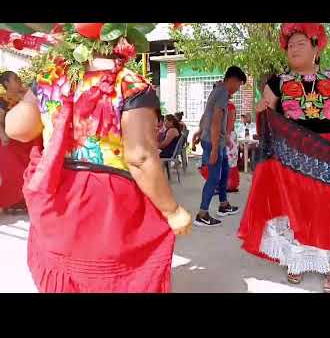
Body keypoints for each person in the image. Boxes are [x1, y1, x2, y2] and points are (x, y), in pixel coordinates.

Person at [4, 23, 191, 293]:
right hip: (108, 204)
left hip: (57, 198)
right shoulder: (130, 83)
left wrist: (32, 98)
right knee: (112, 279)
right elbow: (140, 157)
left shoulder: (53, 77)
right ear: (124, 39)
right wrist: (172, 211)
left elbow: (16, 129)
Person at [238, 23, 330, 293]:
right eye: (290, 45)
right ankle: (296, 262)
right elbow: (264, 107)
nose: (293, 48)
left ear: (316, 48)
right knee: (296, 206)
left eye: (300, 43)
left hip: (326, 151)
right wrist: (258, 109)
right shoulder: (277, 82)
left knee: (328, 206)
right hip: (291, 152)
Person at [193, 66, 246, 227]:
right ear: (233, 80)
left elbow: (206, 114)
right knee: (214, 177)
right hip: (213, 141)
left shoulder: (217, 90)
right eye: (238, 85)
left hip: (215, 140)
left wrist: (200, 130)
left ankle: (223, 205)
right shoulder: (222, 92)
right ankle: (202, 213)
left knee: (224, 174)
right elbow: (216, 120)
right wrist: (215, 148)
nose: (237, 89)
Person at [0, 71, 40, 214]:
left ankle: (26, 203)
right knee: (13, 174)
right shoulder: (3, 99)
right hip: (10, 143)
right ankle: (10, 203)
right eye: (15, 79)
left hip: (27, 142)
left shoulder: (25, 96)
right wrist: (2, 133)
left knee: (28, 171)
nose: (19, 80)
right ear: (6, 84)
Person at [196, 96, 240, 193]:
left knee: (226, 161)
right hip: (217, 135)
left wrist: (227, 135)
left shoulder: (229, 106)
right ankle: (219, 184)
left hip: (224, 135)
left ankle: (223, 185)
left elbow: (230, 122)